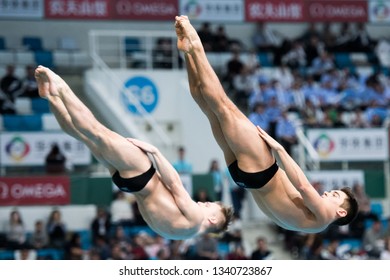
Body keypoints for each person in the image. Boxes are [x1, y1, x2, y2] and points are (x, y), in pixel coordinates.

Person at [175, 15, 359, 233]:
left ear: (341, 213)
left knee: (223, 106)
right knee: (211, 111)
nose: (329, 193)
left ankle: (195, 46)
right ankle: (188, 53)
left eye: (335, 195)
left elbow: (303, 185)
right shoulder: (311, 224)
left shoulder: (324, 216)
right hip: (246, 179)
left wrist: (279, 149)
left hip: (263, 170)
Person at [34, 65, 233, 240]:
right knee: (84, 137)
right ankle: (52, 98)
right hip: (129, 185)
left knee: (96, 131)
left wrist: (155, 152)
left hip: (143, 173)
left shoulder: (197, 218)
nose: (204, 202)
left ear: (213, 219)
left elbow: (175, 183)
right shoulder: (178, 234)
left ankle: (60, 87)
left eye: (209, 205)